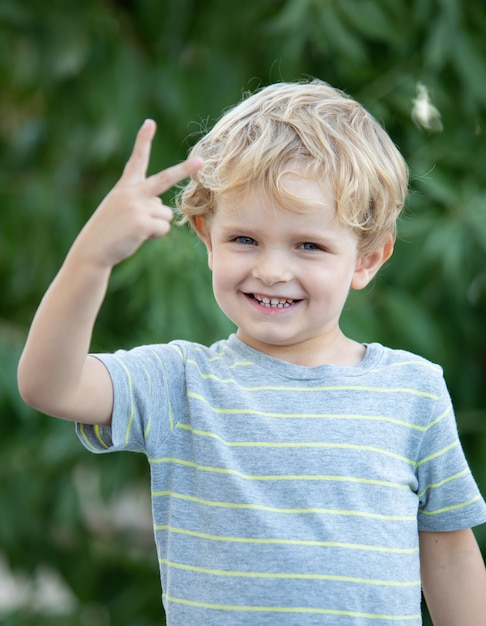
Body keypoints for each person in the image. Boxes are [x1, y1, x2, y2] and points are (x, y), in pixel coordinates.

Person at [18, 79, 486, 625]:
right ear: (206, 236)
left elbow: (450, 557)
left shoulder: (413, 390)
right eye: (244, 239)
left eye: (308, 245)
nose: (271, 269)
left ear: (366, 259)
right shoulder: (180, 382)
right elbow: (49, 384)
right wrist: (91, 259)